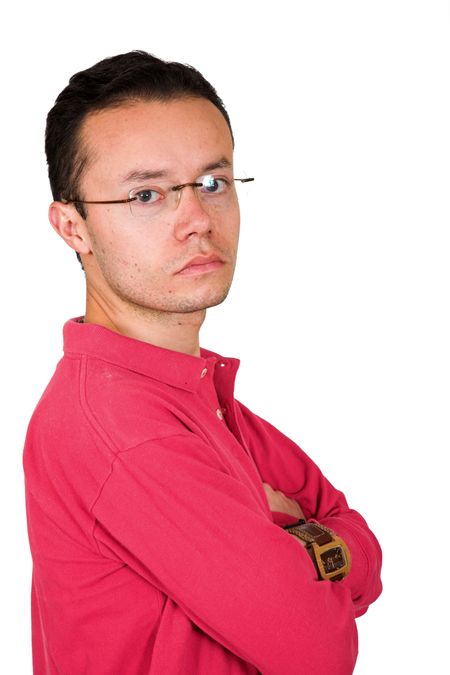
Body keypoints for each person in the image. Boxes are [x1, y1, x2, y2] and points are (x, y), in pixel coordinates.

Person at [23, 50, 382, 675]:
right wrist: (311, 537)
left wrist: (312, 541)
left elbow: (366, 548)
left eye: (213, 183)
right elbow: (319, 652)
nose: (195, 220)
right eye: (146, 194)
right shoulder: (124, 428)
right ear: (72, 226)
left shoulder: (197, 397)